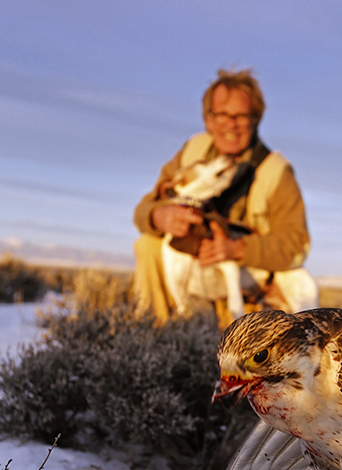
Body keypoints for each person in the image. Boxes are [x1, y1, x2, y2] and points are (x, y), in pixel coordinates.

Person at [133, 69, 317, 326]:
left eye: (241, 116)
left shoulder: (276, 172)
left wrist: (238, 248)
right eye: (221, 114)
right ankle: (156, 337)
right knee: (148, 245)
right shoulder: (192, 152)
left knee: (297, 285)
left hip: (250, 290)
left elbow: (296, 244)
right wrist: (158, 215)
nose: (231, 123)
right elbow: (144, 209)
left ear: (256, 120)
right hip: (198, 275)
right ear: (208, 120)